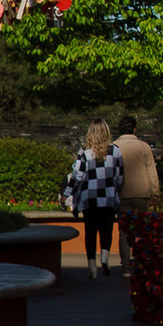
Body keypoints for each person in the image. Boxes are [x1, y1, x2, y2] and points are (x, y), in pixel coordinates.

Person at [66, 118, 124, 278]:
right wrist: (116, 190)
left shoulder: (84, 152)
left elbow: (77, 176)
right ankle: (105, 256)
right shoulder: (116, 151)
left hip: (89, 198)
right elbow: (120, 177)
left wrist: (67, 193)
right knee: (107, 229)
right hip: (109, 197)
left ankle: (92, 268)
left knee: (90, 232)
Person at [115, 114, 160, 278]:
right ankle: (141, 262)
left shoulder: (114, 147)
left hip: (122, 194)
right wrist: (155, 194)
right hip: (142, 193)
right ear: (134, 129)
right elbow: (152, 172)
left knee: (124, 231)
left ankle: (126, 267)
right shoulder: (144, 147)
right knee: (142, 229)